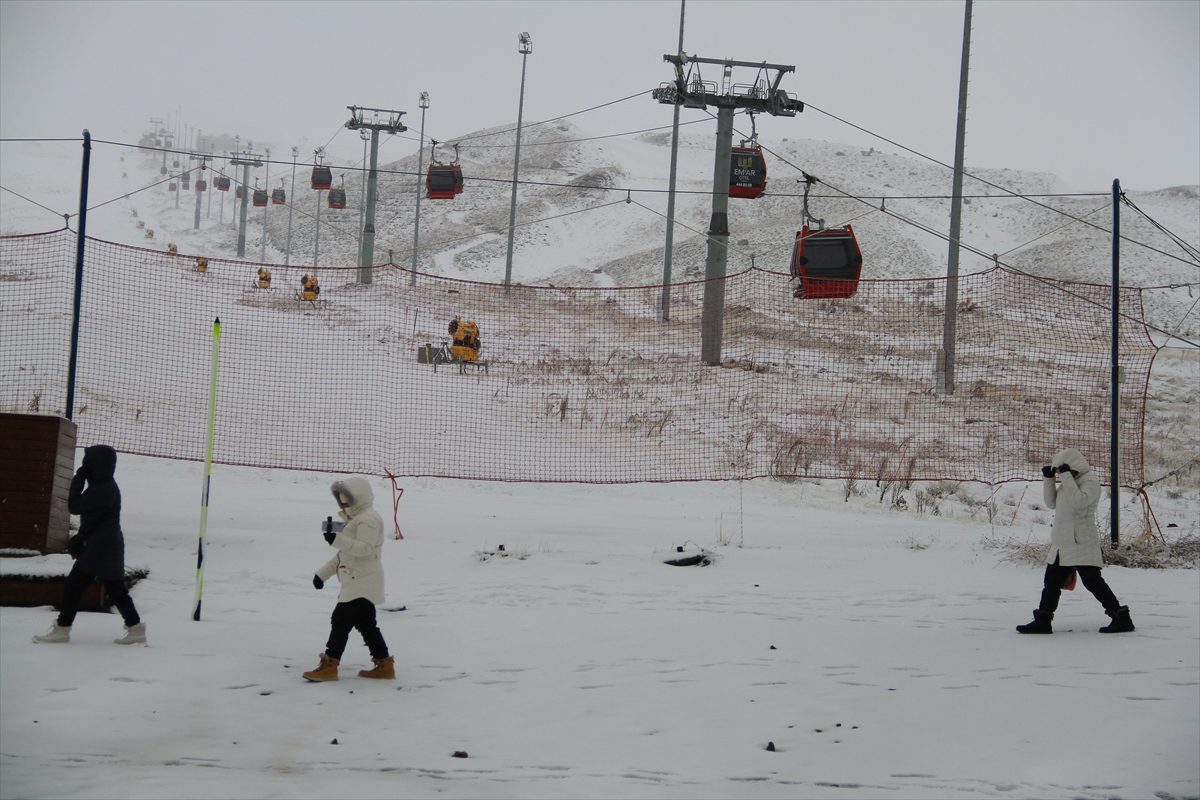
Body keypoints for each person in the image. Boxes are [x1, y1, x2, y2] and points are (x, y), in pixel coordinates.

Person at [33, 445, 146, 646]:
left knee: (75, 585)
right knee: (115, 588)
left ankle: (62, 629)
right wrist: (82, 537)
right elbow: (93, 518)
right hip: (106, 543)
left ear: (96, 464)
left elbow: (74, 506)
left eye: (88, 462)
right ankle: (136, 629)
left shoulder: (103, 488)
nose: (85, 465)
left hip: (101, 546)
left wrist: (78, 477)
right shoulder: (103, 485)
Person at [1016, 447, 1134, 634]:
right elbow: (1051, 503)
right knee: (1051, 582)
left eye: (1066, 470)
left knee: (1093, 582)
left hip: (1081, 542)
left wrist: (1066, 477)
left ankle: (1121, 617)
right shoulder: (1067, 483)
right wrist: (1049, 479)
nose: (1064, 475)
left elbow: (1079, 501)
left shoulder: (1091, 483)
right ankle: (1043, 620)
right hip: (1062, 544)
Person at [303, 477, 394, 681]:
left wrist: (337, 539)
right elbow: (344, 555)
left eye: (347, 502)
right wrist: (322, 574)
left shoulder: (368, 520)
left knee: (340, 620)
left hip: (362, 581)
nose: (344, 506)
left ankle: (330, 666)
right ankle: (384, 664)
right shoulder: (355, 520)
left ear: (358, 498)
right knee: (366, 624)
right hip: (357, 580)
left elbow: (365, 549)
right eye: (341, 502)